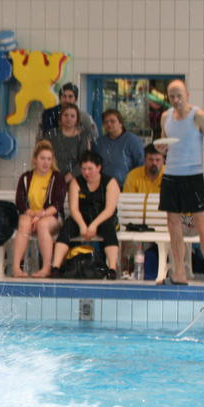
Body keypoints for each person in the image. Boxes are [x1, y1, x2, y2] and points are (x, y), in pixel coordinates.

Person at [158, 79, 204, 284]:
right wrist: (160, 149)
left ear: (188, 95)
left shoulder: (198, 116)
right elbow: (163, 144)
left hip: (192, 175)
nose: (175, 100)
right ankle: (179, 272)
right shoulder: (165, 117)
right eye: (172, 96)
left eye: (179, 95)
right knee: (173, 223)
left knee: (200, 224)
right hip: (171, 176)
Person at [50, 151, 120, 280]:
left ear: (99, 168)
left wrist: (94, 225)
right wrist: (82, 225)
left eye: (90, 169)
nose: (86, 172)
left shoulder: (110, 183)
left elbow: (109, 210)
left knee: (109, 228)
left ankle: (112, 269)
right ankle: (56, 267)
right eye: (83, 169)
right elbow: (74, 209)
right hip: (82, 217)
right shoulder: (76, 182)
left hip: (103, 217)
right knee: (67, 228)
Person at [12, 140, 66, 277]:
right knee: (24, 223)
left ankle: (46, 268)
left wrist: (40, 215)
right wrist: (31, 214)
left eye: (49, 159)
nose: (46, 162)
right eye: (42, 158)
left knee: (42, 225)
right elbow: (20, 202)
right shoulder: (25, 178)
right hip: (30, 215)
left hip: (51, 216)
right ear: (35, 160)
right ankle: (16, 267)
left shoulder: (57, 178)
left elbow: (58, 204)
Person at [94, 109, 144, 187]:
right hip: (105, 186)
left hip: (127, 186)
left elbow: (140, 164)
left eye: (112, 121)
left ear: (120, 123)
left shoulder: (133, 140)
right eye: (106, 122)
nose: (109, 124)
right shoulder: (99, 142)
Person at [44, 104, 95, 180]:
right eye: (66, 115)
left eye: (72, 116)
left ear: (77, 119)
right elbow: (43, 155)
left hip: (75, 180)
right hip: (51, 177)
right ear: (61, 117)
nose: (69, 118)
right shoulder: (51, 135)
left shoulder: (82, 137)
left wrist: (67, 178)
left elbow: (83, 161)